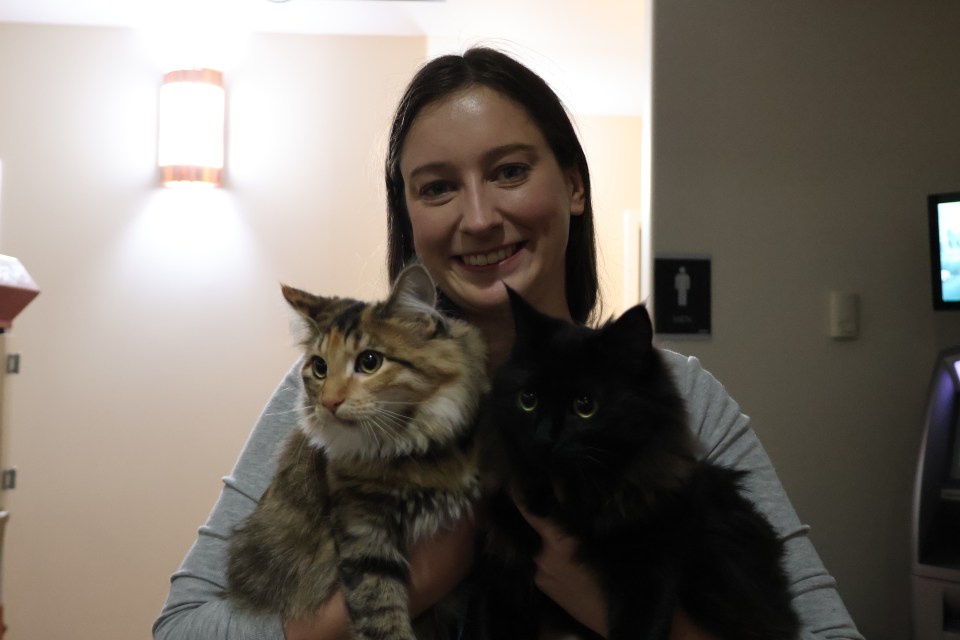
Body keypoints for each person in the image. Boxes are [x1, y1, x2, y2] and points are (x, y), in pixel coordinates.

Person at [153, 47, 863, 640]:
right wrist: (418, 581)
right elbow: (183, 628)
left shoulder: (681, 394)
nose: (479, 218)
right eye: (437, 188)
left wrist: (597, 591)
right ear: (409, 218)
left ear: (574, 186)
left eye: (510, 172)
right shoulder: (341, 394)